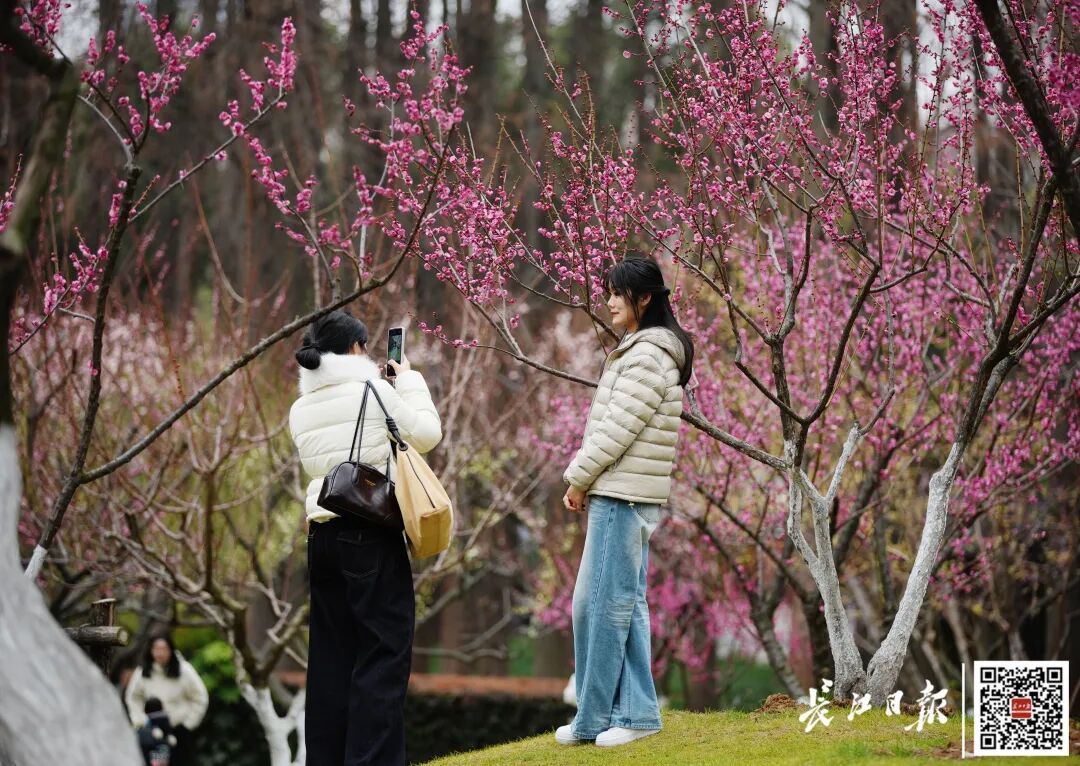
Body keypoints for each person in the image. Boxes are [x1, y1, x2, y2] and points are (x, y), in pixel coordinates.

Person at [289, 310, 442, 766]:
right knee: (383, 654)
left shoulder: (300, 407)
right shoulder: (372, 390)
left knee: (331, 658)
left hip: (322, 536)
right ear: (356, 348)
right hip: (370, 535)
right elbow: (427, 434)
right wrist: (409, 379)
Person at [556, 257, 694, 748]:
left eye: (618, 293)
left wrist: (577, 478)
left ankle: (596, 719)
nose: (610, 301)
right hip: (625, 493)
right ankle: (635, 713)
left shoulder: (646, 356)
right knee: (620, 605)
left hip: (623, 493)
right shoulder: (645, 350)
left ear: (645, 298)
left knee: (598, 607)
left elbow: (617, 429)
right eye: (610, 291)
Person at [124, 634, 209, 765]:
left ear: (171, 650)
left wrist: (189, 723)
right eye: (156, 649)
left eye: (164, 649)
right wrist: (140, 721)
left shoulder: (184, 670)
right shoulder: (143, 672)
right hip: (152, 733)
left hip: (178, 731)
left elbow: (200, 697)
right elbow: (133, 698)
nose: (160, 653)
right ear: (150, 651)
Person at [136, 697, 178, 766]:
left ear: (145, 710)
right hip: (165, 752)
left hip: (149, 753)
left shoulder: (144, 726)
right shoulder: (167, 723)